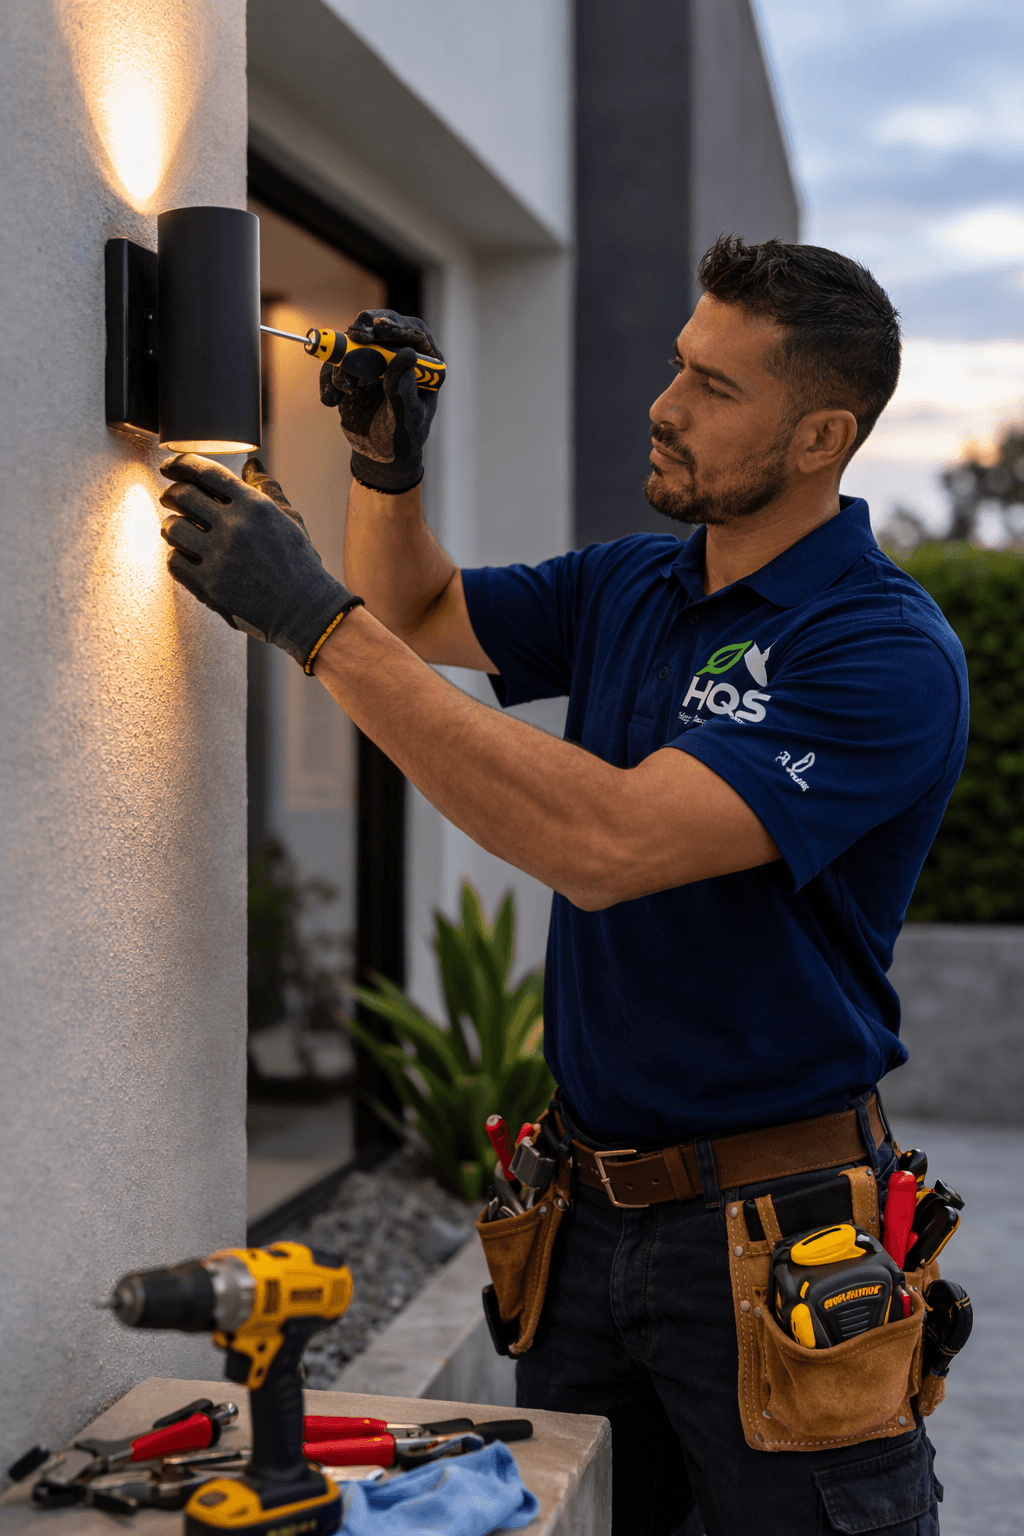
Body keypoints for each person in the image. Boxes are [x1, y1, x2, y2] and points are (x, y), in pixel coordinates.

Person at [159, 237, 967, 1535]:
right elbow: (416, 607)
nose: (666, 403)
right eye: (675, 365)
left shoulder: (878, 649)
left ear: (820, 435)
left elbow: (609, 846)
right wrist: (384, 465)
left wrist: (316, 627)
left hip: (774, 1241)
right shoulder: (634, 582)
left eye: (714, 385)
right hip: (585, 1218)